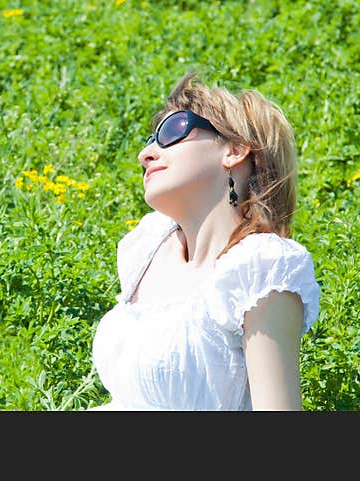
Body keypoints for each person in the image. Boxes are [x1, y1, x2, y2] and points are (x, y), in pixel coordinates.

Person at [88, 71, 321, 410]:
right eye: (150, 139)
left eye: (171, 132)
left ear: (235, 149)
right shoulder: (148, 248)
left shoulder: (261, 269)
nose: (146, 154)